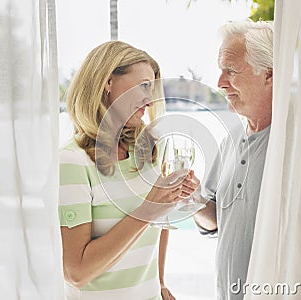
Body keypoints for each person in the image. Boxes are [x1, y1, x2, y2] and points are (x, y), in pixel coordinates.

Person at [58, 40, 196, 300]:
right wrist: (147, 209)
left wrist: (161, 281)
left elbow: (160, 222)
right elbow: (76, 272)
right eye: (144, 86)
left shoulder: (147, 152)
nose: (149, 99)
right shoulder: (71, 162)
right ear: (108, 83)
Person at [193, 19, 274, 299]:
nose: (219, 82)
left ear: (269, 74)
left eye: (231, 70)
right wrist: (188, 197)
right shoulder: (231, 139)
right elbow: (215, 221)